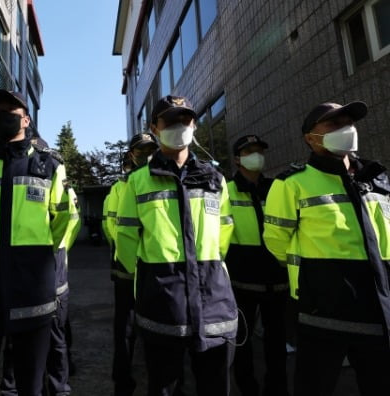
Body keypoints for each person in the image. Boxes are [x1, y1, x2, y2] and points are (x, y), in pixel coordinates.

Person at [263, 101, 390, 396]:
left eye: (348, 123)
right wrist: (314, 281)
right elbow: (277, 241)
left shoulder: (377, 180)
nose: (345, 130)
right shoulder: (292, 183)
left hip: (378, 310)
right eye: (333, 125)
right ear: (311, 137)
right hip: (322, 313)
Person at [0, 89, 77, 396]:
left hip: (32, 285)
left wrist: (40, 255)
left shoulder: (50, 166)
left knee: (30, 381)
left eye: (9, 109)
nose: (1, 115)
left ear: (25, 118)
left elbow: (64, 219)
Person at [116, 95, 237, 396]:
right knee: (164, 386)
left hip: (214, 302)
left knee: (215, 385)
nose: (178, 126)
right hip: (162, 304)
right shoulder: (138, 181)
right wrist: (148, 283)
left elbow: (224, 232)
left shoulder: (214, 178)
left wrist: (212, 270)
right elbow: (127, 240)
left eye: (184, 120)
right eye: (169, 121)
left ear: (194, 125)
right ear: (155, 129)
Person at [0, 137, 81, 396]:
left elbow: (70, 221)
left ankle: (59, 388)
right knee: (15, 336)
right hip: (22, 273)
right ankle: (12, 387)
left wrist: (53, 250)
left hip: (53, 270)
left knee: (56, 339)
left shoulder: (57, 180)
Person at [226, 135, 289, 396]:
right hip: (242, 280)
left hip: (278, 278)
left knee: (277, 343)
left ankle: (277, 389)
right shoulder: (225, 190)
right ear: (238, 158)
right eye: (250, 151)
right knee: (243, 340)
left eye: (260, 150)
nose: (257, 155)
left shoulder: (277, 187)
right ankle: (248, 388)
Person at [105, 133, 158, 396]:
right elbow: (112, 226)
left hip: (156, 269)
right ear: (131, 155)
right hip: (127, 268)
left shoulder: (163, 181)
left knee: (157, 327)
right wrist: (131, 257)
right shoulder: (119, 188)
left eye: (151, 150)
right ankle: (123, 378)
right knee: (125, 327)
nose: (147, 155)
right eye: (141, 151)